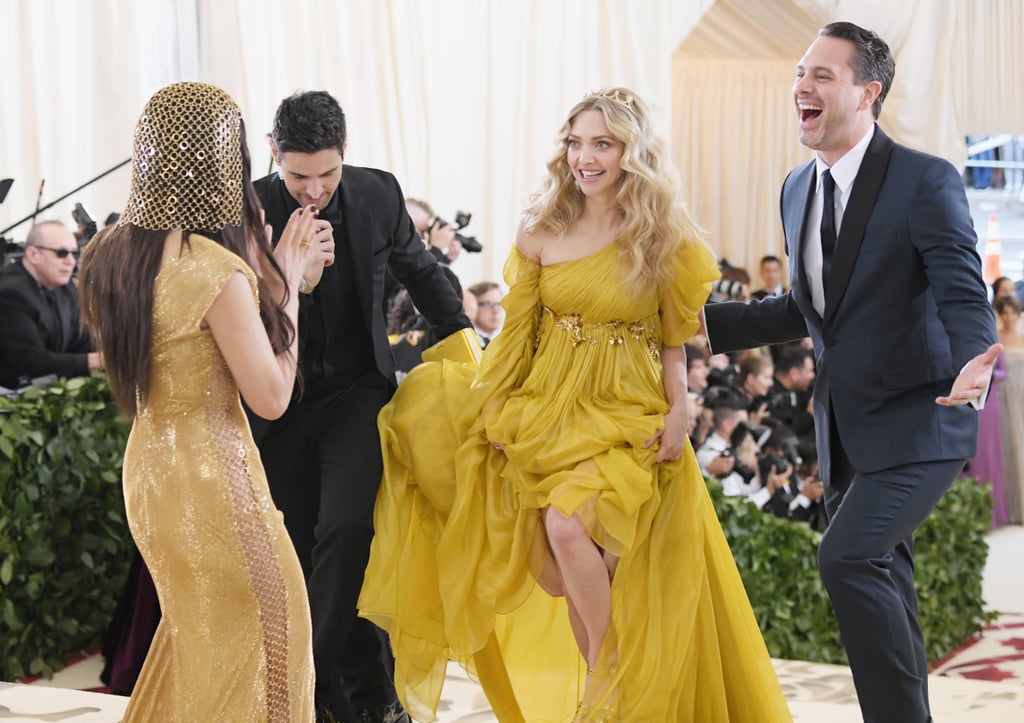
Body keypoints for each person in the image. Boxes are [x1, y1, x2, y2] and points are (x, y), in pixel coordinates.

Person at [358, 87, 791, 722]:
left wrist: (680, 411)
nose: (585, 157)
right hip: (547, 407)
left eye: (603, 144)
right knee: (564, 570)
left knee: (569, 527)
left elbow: (673, 343)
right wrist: (492, 405)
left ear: (631, 153)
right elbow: (517, 334)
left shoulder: (663, 237)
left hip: (628, 407)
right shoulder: (541, 227)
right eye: (576, 142)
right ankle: (609, 702)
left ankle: (605, 676)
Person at [703, 22, 1000, 723]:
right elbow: (807, 309)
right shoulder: (796, 189)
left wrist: (975, 360)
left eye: (822, 75)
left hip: (923, 417)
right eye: (799, 71)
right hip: (847, 428)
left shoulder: (924, 179)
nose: (802, 85)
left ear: (868, 92)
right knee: (887, 581)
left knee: (848, 559)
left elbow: (961, 287)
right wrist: (703, 325)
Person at [78, 81, 318, 721]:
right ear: (225, 164)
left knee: (204, 648)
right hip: (212, 480)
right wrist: (288, 285)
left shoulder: (109, 258)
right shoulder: (213, 270)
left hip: (150, 476)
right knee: (275, 639)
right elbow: (270, 396)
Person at [251, 90, 470, 723]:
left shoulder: (378, 193)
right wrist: (293, 273)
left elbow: (422, 271)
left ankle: (305, 687)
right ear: (273, 155)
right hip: (277, 400)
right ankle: (368, 698)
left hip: (358, 392)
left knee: (348, 530)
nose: (312, 190)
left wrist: (465, 344)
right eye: (298, 176)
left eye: (326, 174)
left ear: (345, 153)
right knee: (297, 546)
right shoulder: (250, 209)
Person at [0, 220, 103, 389]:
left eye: (74, 254)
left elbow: (81, 340)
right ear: (33, 254)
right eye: (61, 253)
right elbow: (34, 362)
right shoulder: (10, 294)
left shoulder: (65, 286)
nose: (70, 261)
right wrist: (100, 360)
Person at [995, 295, 1024, 524]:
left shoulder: (1022, 338)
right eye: (1004, 312)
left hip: (1022, 395)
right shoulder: (996, 338)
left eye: (1012, 312)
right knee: (1009, 447)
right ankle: (1011, 508)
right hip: (1005, 398)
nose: (1009, 317)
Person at [467, 280, 503, 348]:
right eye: (488, 304)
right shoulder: (470, 342)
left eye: (499, 304)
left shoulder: (499, 343)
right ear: (473, 306)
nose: (495, 310)